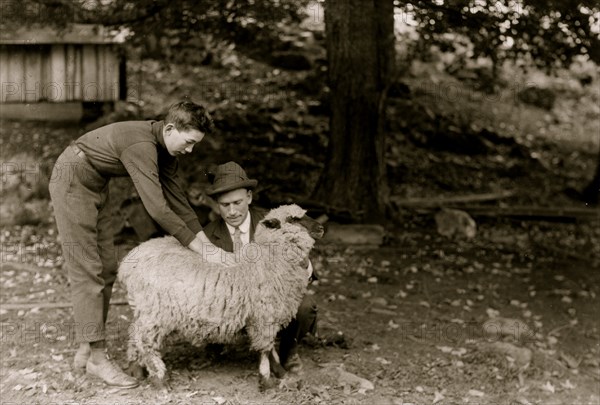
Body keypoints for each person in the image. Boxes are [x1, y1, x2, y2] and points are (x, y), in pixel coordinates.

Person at [49, 101, 233, 388]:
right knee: (88, 271)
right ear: (170, 128)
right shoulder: (142, 145)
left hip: (97, 182)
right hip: (73, 179)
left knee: (107, 268)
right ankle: (97, 358)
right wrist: (198, 250)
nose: (190, 150)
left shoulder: (167, 151)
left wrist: (208, 247)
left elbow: (179, 204)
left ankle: (86, 349)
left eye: (195, 144)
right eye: (188, 142)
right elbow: (158, 209)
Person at [203, 161, 318, 372]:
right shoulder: (207, 236)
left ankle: (288, 351)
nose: (232, 211)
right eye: (224, 205)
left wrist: (303, 264)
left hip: (271, 299)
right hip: (231, 302)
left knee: (304, 305)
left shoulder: (276, 223)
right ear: (216, 204)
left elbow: (309, 275)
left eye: (237, 202)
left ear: (249, 196)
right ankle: (217, 343)